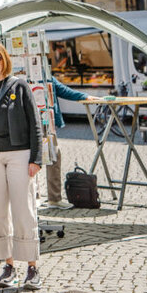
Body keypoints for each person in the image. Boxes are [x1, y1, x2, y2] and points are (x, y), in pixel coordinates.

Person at [0, 41, 43, 291]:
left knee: (24, 209)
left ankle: (32, 266)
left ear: (5, 60)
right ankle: (8, 264)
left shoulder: (19, 85)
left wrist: (36, 159)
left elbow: (35, 122)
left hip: (19, 154)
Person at [44, 77, 91, 209]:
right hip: (31, 124)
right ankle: (52, 198)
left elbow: (64, 91)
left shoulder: (47, 76)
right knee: (52, 158)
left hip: (47, 124)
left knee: (54, 157)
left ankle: (54, 198)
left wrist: (84, 96)